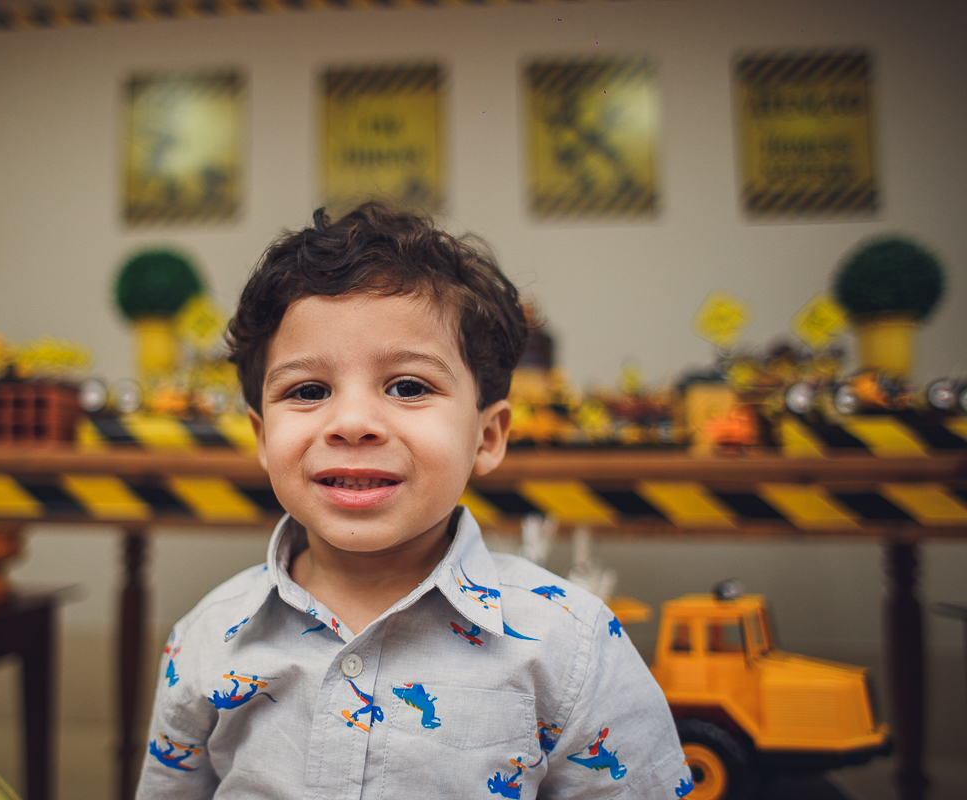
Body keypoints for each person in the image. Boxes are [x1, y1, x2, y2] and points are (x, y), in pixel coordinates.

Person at [135, 203, 692, 799]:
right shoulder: (206, 639)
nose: (352, 423)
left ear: (488, 435)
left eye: (407, 386)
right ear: (263, 438)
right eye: (309, 390)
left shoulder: (573, 649)